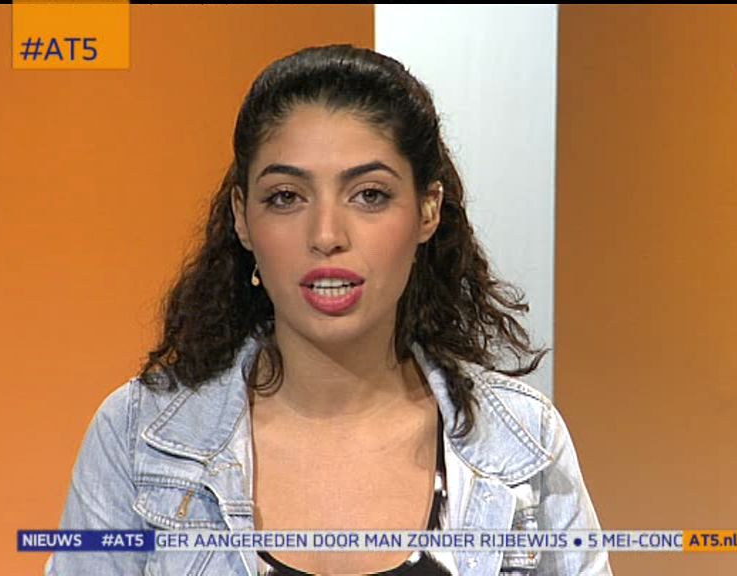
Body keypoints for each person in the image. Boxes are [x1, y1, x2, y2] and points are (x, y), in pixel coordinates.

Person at [46, 44, 612, 576]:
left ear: (428, 210)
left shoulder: (521, 438)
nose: (325, 235)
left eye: (369, 195)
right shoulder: (137, 434)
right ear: (242, 217)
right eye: (286, 197)